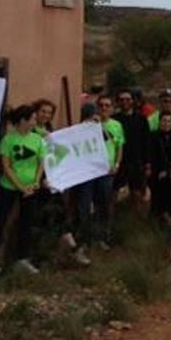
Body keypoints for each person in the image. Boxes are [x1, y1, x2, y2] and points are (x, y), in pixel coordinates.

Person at [0, 105, 47, 282]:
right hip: (9, 188)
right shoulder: (8, 140)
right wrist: (20, 187)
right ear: (22, 121)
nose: (35, 122)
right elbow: (6, 167)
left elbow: (41, 162)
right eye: (32, 119)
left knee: (26, 223)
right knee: (0, 222)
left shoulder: (37, 140)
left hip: (30, 189)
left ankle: (22, 259)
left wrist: (35, 182)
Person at [75, 97, 122, 254]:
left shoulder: (116, 126)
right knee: (85, 206)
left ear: (111, 108)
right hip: (87, 173)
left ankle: (102, 238)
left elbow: (118, 145)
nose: (104, 108)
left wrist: (116, 164)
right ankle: (85, 240)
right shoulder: (84, 125)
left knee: (103, 205)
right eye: (101, 105)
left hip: (106, 172)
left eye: (107, 105)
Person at [113, 89, 151, 212]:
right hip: (118, 160)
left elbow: (146, 142)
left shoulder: (141, 119)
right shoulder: (114, 120)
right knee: (114, 192)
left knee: (137, 193)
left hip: (137, 160)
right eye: (122, 100)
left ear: (133, 101)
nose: (125, 102)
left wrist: (147, 163)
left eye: (128, 99)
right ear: (118, 102)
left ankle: (136, 221)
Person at [148, 111, 171, 181]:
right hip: (155, 171)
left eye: (169, 121)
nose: (166, 123)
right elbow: (149, 154)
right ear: (160, 121)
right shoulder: (152, 136)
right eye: (164, 120)